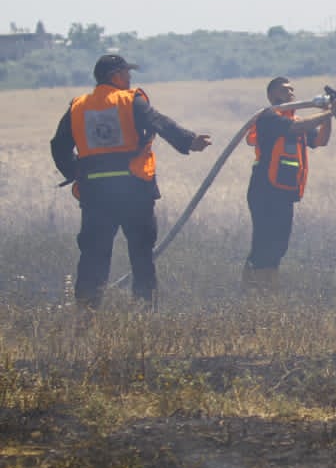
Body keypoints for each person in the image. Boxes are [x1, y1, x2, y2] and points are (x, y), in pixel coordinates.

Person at [50, 54, 213, 309]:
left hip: (95, 194)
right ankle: (143, 313)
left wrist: (76, 172)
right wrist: (189, 140)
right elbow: (158, 121)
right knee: (141, 254)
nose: (129, 78)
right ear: (116, 75)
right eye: (126, 73)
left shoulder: (78, 106)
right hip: (134, 189)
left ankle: (85, 314)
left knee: (94, 255)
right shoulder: (130, 100)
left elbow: (58, 146)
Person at [242, 76, 336, 290]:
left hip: (284, 193)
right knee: (263, 245)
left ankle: (267, 292)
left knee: (279, 246)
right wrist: (329, 111)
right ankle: (251, 292)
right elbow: (296, 129)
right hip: (264, 191)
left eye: (292, 89)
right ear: (272, 95)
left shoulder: (298, 121)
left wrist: (328, 116)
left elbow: (320, 140)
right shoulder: (268, 117)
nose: (290, 92)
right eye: (284, 89)